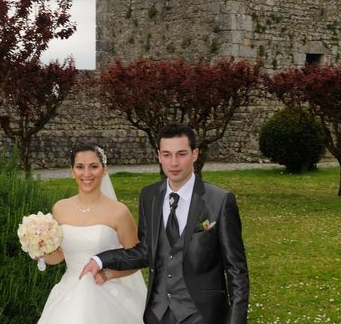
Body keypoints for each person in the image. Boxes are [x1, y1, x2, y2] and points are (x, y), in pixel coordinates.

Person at [81, 123, 249, 324]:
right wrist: (101, 260)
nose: (174, 163)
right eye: (167, 155)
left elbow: (236, 271)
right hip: (157, 314)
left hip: (203, 315)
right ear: (159, 156)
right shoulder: (149, 196)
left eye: (181, 154)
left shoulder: (220, 200)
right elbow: (144, 251)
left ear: (194, 154)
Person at [36, 142, 147, 324]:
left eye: (93, 166)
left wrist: (107, 274)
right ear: (72, 171)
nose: (86, 174)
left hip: (105, 293)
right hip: (68, 293)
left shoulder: (119, 212)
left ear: (104, 170)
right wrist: (40, 252)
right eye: (80, 167)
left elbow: (137, 259)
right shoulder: (60, 208)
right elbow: (59, 256)